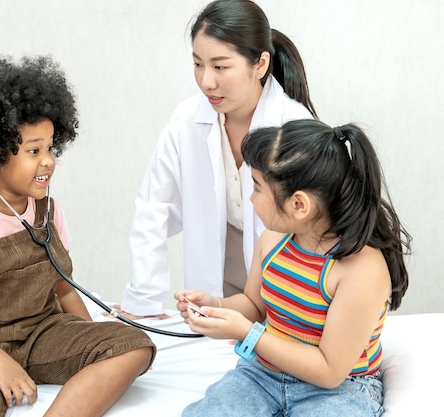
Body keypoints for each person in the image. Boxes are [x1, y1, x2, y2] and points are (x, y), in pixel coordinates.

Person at [0, 49, 155, 417]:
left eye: (50, 147)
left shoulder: (49, 212)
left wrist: (90, 342)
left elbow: (63, 288)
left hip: (43, 333)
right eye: (33, 150)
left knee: (135, 345)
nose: (48, 161)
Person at [175, 119, 411, 416]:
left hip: (339, 389)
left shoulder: (361, 269)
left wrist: (249, 334)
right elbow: (253, 305)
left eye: (258, 188)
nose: (250, 198)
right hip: (263, 375)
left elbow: (330, 370)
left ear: (299, 205)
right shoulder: (274, 240)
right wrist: (215, 305)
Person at [121, 0, 317, 318]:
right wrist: (143, 303)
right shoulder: (187, 119)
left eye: (220, 66)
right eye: (198, 64)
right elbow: (152, 210)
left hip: (286, 280)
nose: (206, 81)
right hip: (218, 281)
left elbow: (315, 226)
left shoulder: (294, 125)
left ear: (260, 64)